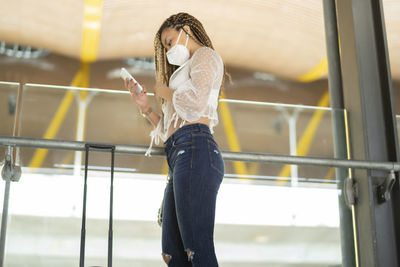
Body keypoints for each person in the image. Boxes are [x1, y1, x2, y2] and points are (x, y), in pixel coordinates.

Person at [124, 12, 226, 267]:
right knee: (172, 253)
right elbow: (171, 126)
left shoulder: (205, 56)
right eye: (166, 46)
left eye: (169, 41)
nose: (169, 49)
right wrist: (146, 107)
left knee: (197, 248)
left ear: (187, 29)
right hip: (180, 152)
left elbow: (194, 105)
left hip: (195, 148)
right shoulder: (186, 68)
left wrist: (164, 91)